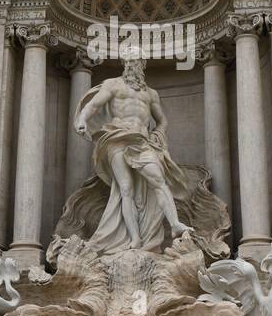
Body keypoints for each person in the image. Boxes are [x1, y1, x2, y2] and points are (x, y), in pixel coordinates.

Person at [73, 58, 190, 253]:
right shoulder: (113, 84)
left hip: (142, 142)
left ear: (143, 65)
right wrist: (82, 119)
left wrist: (158, 134)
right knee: (125, 188)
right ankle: (135, 238)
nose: (132, 64)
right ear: (124, 64)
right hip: (117, 138)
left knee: (159, 180)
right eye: (129, 61)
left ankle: (175, 223)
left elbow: (161, 120)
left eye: (137, 61)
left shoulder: (151, 94)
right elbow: (93, 105)